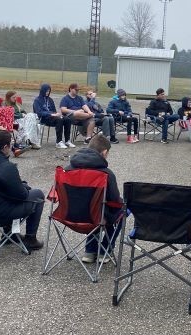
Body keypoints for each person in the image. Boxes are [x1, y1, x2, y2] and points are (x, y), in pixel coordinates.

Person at [66, 135, 122, 263]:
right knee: (120, 211)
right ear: (104, 152)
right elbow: (115, 202)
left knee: (95, 207)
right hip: (94, 218)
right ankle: (105, 250)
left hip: (68, 216)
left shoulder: (66, 169)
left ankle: (90, 251)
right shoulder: (106, 173)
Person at [33, 83, 75, 149]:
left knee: (67, 119)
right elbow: (39, 113)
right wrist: (51, 114)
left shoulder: (50, 100)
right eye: (46, 91)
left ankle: (67, 140)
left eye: (49, 91)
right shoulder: (37, 100)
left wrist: (58, 114)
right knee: (59, 120)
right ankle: (59, 142)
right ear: (42, 91)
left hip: (53, 117)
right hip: (44, 118)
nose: (47, 92)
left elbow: (54, 110)